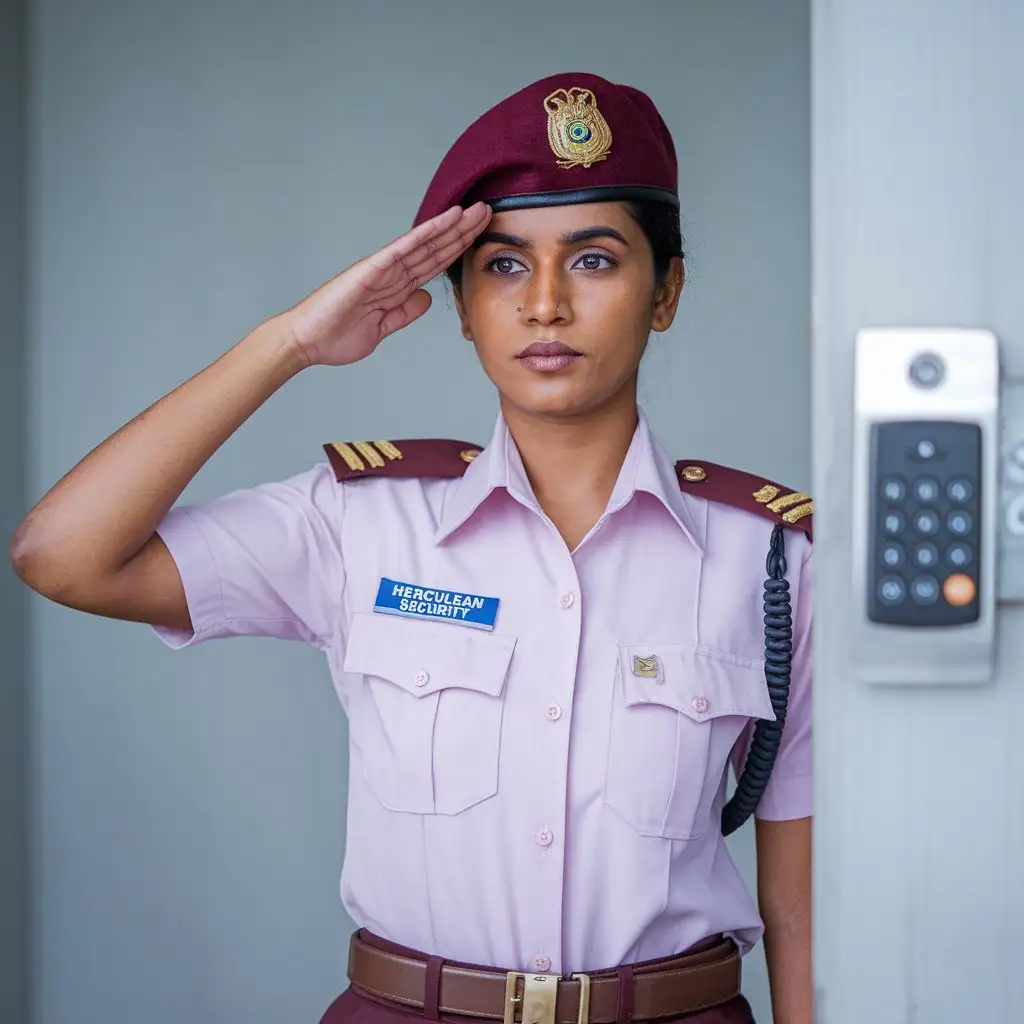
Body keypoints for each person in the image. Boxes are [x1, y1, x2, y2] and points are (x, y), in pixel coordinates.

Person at [9, 73, 812, 1024]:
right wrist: (291, 342)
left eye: (595, 260)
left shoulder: (771, 560)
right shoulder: (361, 526)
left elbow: (797, 909)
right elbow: (62, 554)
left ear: (666, 290)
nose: (546, 305)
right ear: (463, 305)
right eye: (504, 266)